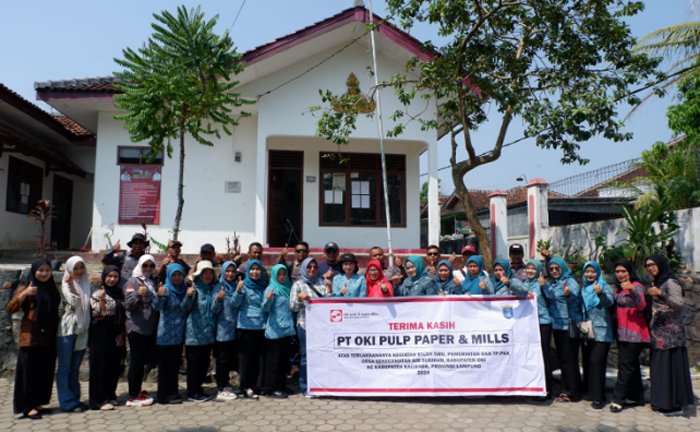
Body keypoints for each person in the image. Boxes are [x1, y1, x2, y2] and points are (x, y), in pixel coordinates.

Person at [7, 259, 60, 420]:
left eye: (47, 270)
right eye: (40, 270)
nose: (44, 274)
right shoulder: (27, 286)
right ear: (34, 271)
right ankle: (27, 407)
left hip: (48, 336)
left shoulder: (51, 287)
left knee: (44, 371)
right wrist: (24, 294)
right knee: (28, 373)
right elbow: (10, 307)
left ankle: (37, 403)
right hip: (31, 337)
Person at [644, 254, 694, 414]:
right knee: (661, 369)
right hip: (658, 333)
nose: (650, 268)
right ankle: (662, 402)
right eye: (647, 265)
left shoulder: (671, 282)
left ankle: (673, 404)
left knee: (670, 368)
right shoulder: (656, 282)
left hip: (671, 334)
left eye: (653, 264)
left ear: (660, 264)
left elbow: (679, 305)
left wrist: (661, 294)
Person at [609, 260, 650, 413]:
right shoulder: (619, 288)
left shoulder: (637, 286)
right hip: (622, 333)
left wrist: (632, 290)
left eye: (623, 271)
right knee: (632, 365)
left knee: (625, 365)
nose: (620, 274)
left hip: (635, 334)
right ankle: (636, 397)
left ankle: (618, 399)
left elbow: (642, 305)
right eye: (617, 271)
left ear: (630, 272)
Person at [542, 257, 582, 403]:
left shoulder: (570, 281)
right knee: (563, 359)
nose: (554, 271)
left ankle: (572, 392)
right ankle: (567, 389)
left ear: (562, 268)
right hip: (557, 326)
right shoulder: (553, 283)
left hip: (568, 325)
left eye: (556, 268)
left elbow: (575, 296)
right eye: (551, 269)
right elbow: (549, 297)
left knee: (569, 359)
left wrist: (568, 294)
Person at [290, 257, 331, 396]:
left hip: (321, 325)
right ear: (304, 268)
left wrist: (330, 288)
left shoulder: (321, 282)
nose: (312, 269)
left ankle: (320, 385)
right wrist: (300, 299)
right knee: (306, 355)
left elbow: (329, 302)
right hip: (305, 324)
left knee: (321, 354)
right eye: (309, 267)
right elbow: (293, 307)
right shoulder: (298, 285)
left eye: (314, 267)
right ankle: (306, 387)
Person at [56, 256, 91, 412]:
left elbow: (90, 304)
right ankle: (67, 403)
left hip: (83, 329)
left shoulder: (86, 283)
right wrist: (71, 284)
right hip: (67, 330)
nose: (79, 271)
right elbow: (75, 302)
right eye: (75, 268)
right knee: (65, 368)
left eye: (81, 267)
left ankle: (75, 399)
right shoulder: (65, 283)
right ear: (69, 269)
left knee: (75, 368)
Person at [124, 254, 159, 408]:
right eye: (145, 265)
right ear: (139, 265)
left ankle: (137, 391)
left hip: (148, 327)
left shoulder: (150, 281)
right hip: (136, 327)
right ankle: (132, 395)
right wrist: (138, 294)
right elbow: (127, 304)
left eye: (151, 266)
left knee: (141, 362)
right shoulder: (133, 281)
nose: (148, 269)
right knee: (136, 362)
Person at [88, 266, 126, 410]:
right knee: (100, 367)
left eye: (115, 276)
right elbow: (98, 314)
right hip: (100, 334)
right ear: (104, 277)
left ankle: (110, 395)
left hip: (115, 334)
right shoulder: (98, 293)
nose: (112, 279)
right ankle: (98, 400)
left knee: (113, 366)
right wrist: (102, 300)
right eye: (109, 276)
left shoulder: (119, 292)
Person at [579, 261, 614, 410]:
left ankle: (599, 398)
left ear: (598, 272)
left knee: (596, 362)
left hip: (603, 331)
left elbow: (610, 302)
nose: (590, 274)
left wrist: (600, 294)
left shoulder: (604, 286)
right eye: (587, 271)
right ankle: (592, 393)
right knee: (588, 362)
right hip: (587, 330)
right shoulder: (584, 288)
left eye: (593, 271)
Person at [153, 263, 189, 404]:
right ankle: (163, 396)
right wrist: (159, 296)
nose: (177, 277)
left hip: (179, 333)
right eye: (174, 275)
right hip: (166, 334)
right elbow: (157, 307)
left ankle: (173, 393)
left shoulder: (184, 290)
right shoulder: (166, 289)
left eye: (179, 274)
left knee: (174, 366)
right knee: (165, 367)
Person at [233, 259, 268, 399]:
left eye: (257, 269)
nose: (255, 272)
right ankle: (245, 386)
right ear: (248, 271)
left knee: (258, 358)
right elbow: (235, 304)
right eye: (252, 269)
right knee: (245, 359)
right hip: (246, 326)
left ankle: (257, 386)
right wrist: (238, 291)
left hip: (261, 326)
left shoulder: (263, 286)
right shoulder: (243, 286)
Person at [183, 261, 217, 402]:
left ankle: (198, 389)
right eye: (205, 273)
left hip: (207, 334)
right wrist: (188, 296)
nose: (208, 276)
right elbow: (185, 308)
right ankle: (193, 392)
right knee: (194, 365)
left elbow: (214, 311)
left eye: (210, 273)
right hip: (194, 335)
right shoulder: (194, 289)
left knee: (203, 364)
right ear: (199, 275)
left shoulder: (211, 290)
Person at [261, 264, 295, 398]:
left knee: (283, 360)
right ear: (274, 276)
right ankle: (271, 388)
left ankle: (281, 385)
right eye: (279, 274)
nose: (281, 277)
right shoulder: (271, 289)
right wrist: (268, 300)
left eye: (283, 274)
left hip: (286, 330)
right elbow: (264, 308)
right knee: (274, 362)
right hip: (275, 331)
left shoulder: (288, 288)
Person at [523, 259, 553, 400]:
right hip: (528, 323)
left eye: (533, 268)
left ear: (539, 271)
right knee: (531, 355)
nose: (530, 271)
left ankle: (547, 388)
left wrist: (544, 286)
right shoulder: (524, 284)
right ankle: (533, 386)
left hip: (542, 322)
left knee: (543, 355)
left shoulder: (542, 283)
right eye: (528, 268)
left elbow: (551, 298)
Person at [212, 261, 240, 401]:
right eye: (227, 271)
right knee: (222, 360)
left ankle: (226, 384)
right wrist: (218, 298)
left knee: (230, 359)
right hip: (222, 330)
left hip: (234, 329)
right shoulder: (218, 287)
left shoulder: (235, 286)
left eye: (233, 271)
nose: (230, 274)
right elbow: (213, 310)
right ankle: (221, 387)